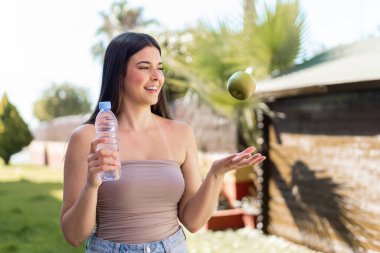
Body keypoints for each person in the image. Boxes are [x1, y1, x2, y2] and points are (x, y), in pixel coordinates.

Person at [60, 32, 266, 253]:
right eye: (144, 67)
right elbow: (73, 236)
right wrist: (92, 184)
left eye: (159, 67)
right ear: (118, 74)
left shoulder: (181, 134)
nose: (156, 76)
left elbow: (193, 222)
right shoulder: (87, 138)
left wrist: (216, 173)